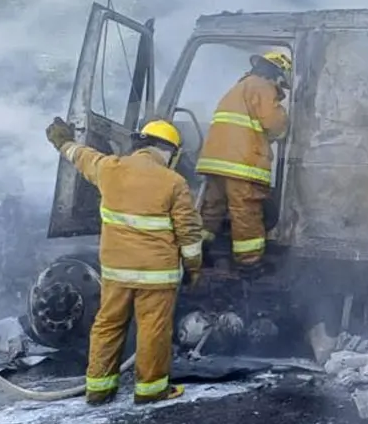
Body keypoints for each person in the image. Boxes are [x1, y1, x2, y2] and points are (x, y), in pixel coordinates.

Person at [45, 117, 204, 405]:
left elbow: (80, 156)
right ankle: (151, 390)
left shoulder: (109, 168)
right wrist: (193, 269)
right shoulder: (174, 182)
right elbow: (189, 234)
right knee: (153, 329)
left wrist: (62, 142)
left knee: (108, 325)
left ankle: (98, 390)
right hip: (157, 274)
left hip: (116, 272)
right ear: (171, 152)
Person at [196, 50, 291, 269]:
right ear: (276, 73)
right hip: (241, 165)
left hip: (215, 162)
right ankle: (249, 264)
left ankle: (198, 252)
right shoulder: (263, 87)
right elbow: (274, 124)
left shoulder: (239, 87)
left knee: (211, 210)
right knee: (245, 211)